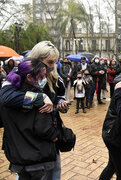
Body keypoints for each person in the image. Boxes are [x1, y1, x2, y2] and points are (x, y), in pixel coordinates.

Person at [1, 41, 68, 180]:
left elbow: (56, 96)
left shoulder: (52, 75)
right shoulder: (18, 72)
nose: (52, 66)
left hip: (48, 134)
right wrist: (39, 97)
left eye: (55, 62)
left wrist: (60, 103)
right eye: (50, 62)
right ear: (38, 58)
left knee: (55, 172)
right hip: (27, 141)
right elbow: (6, 98)